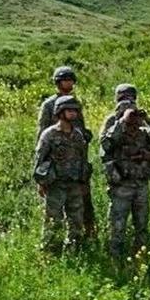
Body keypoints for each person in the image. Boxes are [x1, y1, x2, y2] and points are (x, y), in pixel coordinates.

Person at [99, 84, 150, 259]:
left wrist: (146, 118)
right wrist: (122, 121)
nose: (128, 103)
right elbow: (106, 145)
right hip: (121, 183)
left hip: (141, 183)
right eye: (124, 99)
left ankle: (140, 257)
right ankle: (115, 259)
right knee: (117, 225)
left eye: (131, 99)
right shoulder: (112, 121)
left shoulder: (141, 123)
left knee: (142, 224)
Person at [38, 66, 97, 241]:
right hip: (55, 165)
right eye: (65, 79)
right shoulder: (49, 105)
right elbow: (41, 138)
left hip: (75, 164)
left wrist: (83, 171)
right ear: (58, 82)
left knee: (81, 207)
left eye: (71, 80)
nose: (69, 83)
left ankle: (85, 237)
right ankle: (51, 247)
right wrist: (42, 175)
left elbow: (81, 133)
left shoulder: (74, 104)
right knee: (53, 212)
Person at [33, 95, 91, 253]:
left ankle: (74, 251)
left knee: (76, 221)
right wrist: (40, 183)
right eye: (69, 110)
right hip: (55, 185)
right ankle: (50, 253)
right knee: (53, 221)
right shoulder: (49, 134)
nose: (73, 113)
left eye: (75, 110)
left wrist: (84, 182)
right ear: (60, 112)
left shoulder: (78, 134)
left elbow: (83, 160)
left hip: (74, 185)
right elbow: (40, 159)